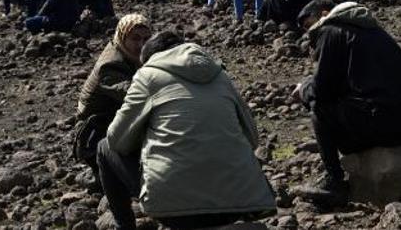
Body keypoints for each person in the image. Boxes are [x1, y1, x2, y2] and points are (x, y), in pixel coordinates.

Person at [97, 34, 276, 230]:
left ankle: (125, 227)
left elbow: (116, 140)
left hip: (175, 211)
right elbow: (252, 138)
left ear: (149, 58)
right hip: (237, 205)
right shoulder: (220, 76)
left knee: (104, 147)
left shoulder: (147, 75)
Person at [292, 0, 401, 206]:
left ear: (325, 13)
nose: (309, 35)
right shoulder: (368, 29)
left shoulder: (331, 29)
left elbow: (322, 90)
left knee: (320, 108)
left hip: (387, 118)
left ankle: (335, 181)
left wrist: (303, 89)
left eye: (309, 26)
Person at [74, 15, 152, 189]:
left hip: (113, 122)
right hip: (94, 135)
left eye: (146, 39)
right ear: (123, 38)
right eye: (135, 39)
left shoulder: (130, 56)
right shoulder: (110, 66)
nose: (141, 45)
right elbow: (135, 95)